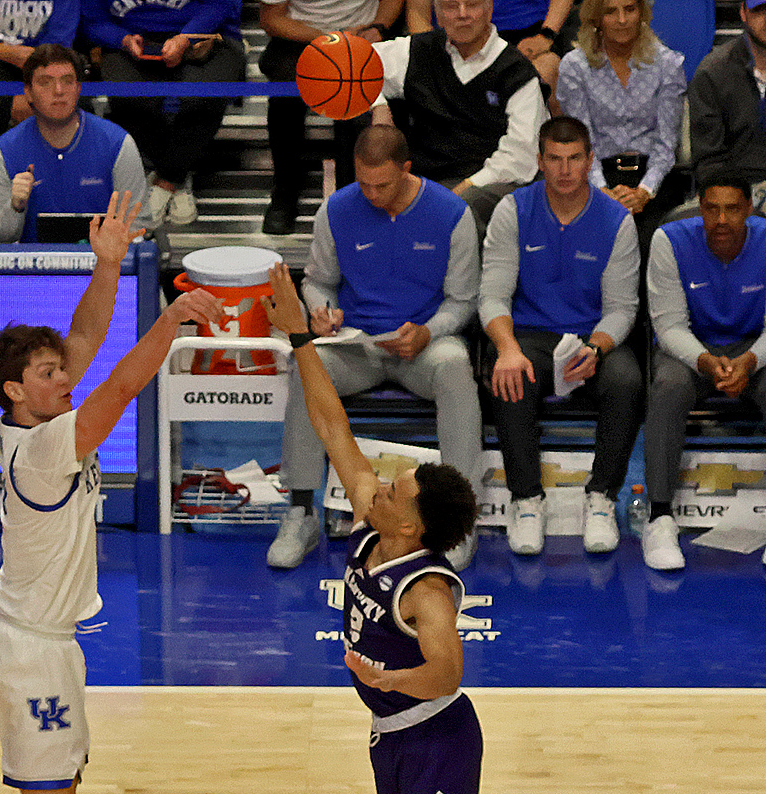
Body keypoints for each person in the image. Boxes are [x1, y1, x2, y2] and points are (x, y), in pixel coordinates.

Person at [261, 259, 529, 794]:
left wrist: (386, 675)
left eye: (397, 482)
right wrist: (298, 331)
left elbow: (448, 668)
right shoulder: (376, 521)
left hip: (437, 736)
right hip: (393, 742)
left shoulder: (424, 584)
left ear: (410, 520)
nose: (380, 476)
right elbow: (332, 420)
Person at [0, 192, 220, 794]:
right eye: (47, 375)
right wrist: (174, 318)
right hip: (29, 651)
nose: (62, 376)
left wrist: (109, 263)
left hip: (52, 644)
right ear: (16, 392)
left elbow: (84, 347)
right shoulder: (43, 448)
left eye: (58, 371)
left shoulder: (35, 410)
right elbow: (119, 379)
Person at [266, 125, 483, 573]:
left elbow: (463, 300)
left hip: (422, 346)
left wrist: (428, 331)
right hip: (357, 345)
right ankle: (301, 510)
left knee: (456, 365)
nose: (370, 193)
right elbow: (319, 281)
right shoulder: (336, 210)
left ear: (406, 169)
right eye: (362, 183)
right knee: (307, 363)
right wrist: (323, 311)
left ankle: (462, 521)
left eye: (381, 184)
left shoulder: (452, 214)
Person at [480, 115, 641, 556]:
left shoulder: (616, 221)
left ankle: (602, 498)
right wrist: (508, 349)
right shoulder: (512, 210)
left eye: (574, 159)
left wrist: (596, 346)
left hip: (593, 335)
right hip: (530, 332)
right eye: (554, 159)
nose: (565, 170)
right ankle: (526, 500)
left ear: (590, 161)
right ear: (540, 161)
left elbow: (622, 307)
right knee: (509, 374)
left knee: (626, 381)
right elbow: (492, 296)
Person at [642, 172, 766, 572]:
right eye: (712, 209)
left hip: (754, 349)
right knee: (667, 386)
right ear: (701, 208)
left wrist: (748, 362)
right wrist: (709, 363)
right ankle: (660, 516)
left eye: (732, 209)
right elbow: (669, 325)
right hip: (692, 348)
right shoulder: (670, 240)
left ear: (749, 210)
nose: (722, 220)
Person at [371, 0, 547, 232]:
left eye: (472, 5)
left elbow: (520, 156)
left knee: (459, 211)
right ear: (439, 14)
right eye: (452, 6)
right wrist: (379, 107)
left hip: (491, 182)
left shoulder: (516, 71)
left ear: (489, 9)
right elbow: (354, 66)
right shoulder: (416, 51)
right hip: (425, 179)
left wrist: (466, 186)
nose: (462, 15)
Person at [81, 0, 245, 226]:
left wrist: (187, 37)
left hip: (209, 35)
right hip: (130, 37)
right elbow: (92, 19)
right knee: (127, 93)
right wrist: (121, 38)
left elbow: (222, 4)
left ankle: (166, 181)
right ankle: (177, 174)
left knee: (203, 94)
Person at [257, 0, 404, 234]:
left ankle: (356, 199)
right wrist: (329, 39)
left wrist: (378, 27)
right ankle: (285, 190)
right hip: (302, 34)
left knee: (357, 109)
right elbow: (272, 19)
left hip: (365, 33)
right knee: (284, 100)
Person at [0, 44, 150, 243]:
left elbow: (138, 228)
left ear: (78, 89)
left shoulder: (117, 144)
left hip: (104, 266)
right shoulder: (4, 151)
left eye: (67, 81)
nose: (58, 91)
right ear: (28, 92)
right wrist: (15, 207)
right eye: (45, 82)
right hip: (33, 272)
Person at [556, 0, 686, 258]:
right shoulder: (575, 67)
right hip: (596, 175)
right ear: (596, 18)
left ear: (642, 13)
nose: (622, 19)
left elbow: (667, 142)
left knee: (653, 245)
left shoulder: (667, 63)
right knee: (597, 244)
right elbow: (581, 142)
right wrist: (602, 192)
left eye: (629, 9)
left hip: (655, 177)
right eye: (610, 11)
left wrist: (644, 192)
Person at [0, 0, 80, 234]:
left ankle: (71, 219)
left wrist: (33, 91)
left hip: (46, 58)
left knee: (73, 110)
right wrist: (8, 53)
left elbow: (62, 36)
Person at [689, 1, 766, 211]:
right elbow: (708, 159)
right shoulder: (712, 73)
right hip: (733, 194)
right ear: (743, 12)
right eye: (760, 10)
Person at [406, 0, 575, 92]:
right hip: (455, 37)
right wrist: (433, 50)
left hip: (530, 31)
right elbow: (417, 11)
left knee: (546, 68)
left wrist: (546, 35)